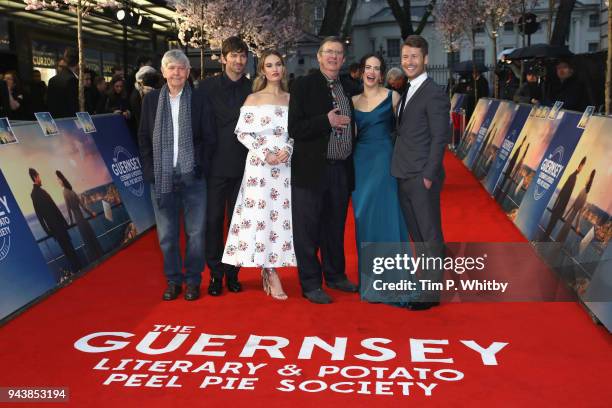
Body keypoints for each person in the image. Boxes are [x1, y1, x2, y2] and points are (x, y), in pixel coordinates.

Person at [138, 49, 216, 301]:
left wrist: (198, 166)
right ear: (163, 72)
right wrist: (150, 170)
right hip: (161, 178)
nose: (176, 72)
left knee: (195, 234)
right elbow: (143, 139)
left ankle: (193, 280)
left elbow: (209, 137)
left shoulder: (199, 99)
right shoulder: (150, 102)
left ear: (188, 72)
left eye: (181, 68)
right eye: (171, 67)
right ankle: (173, 280)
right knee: (167, 236)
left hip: (192, 177)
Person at [288, 36, 359, 304]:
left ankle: (335, 275)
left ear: (343, 59)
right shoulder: (303, 86)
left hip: (341, 170)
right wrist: (325, 121)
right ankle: (310, 283)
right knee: (307, 231)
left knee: (334, 227)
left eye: (338, 53)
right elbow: (295, 128)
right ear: (319, 57)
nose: (333, 57)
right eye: (328, 52)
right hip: (310, 171)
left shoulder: (349, 87)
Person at [222, 50, 296, 300]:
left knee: (279, 218)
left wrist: (287, 149)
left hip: (284, 166)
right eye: (269, 65)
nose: (275, 69)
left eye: (278, 64)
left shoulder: (290, 99)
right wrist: (266, 153)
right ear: (262, 70)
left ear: (283, 68)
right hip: (260, 167)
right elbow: (242, 133)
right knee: (261, 215)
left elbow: (296, 131)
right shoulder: (253, 99)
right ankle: (270, 270)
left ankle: (272, 265)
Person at [391, 35, 450, 311]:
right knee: (418, 234)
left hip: (421, 176)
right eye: (405, 57)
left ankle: (431, 293)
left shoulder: (434, 92)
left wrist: (428, 174)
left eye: (414, 56)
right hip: (404, 172)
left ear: (425, 59)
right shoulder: (409, 89)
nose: (409, 61)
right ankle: (425, 280)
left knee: (429, 234)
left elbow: (440, 138)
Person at [352, 54, 413, 305]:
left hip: (385, 162)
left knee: (386, 218)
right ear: (361, 71)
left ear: (382, 74)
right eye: (368, 67)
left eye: (377, 69)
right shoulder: (352, 100)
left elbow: (407, 132)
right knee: (363, 217)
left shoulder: (393, 97)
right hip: (360, 163)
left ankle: (394, 281)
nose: (372, 72)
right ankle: (371, 279)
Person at [201, 37, 252, 297]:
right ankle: (215, 274)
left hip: (245, 167)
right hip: (213, 167)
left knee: (238, 224)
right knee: (212, 221)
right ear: (223, 58)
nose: (239, 60)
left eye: (243, 55)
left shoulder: (254, 88)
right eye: (233, 55)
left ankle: (233, 273)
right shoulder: (206, 88)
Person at [29, 168, 81, 274]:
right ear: (35, 177)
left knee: (68, 250)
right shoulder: (35, 194)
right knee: (69, 250)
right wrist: (48, 231)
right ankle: (79, 270)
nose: (40, 178)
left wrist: (49, 231)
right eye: (39, 176)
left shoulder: (38, 192)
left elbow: (50, 211)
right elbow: (40, 215)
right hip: (57, 229)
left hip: (57, 229)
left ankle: (78, 270)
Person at [56, 170, 103, 262]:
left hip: (78, 221)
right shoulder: (72, 191)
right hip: (83, 219)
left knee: (87, 240)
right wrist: (91, 213)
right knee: (91, 237)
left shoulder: (64, 192)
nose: (58, 182)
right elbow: (83, 206)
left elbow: (69, 210)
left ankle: (95, 259)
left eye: (58, 179)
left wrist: (70, 222)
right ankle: (100, 255)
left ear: (62, 180)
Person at [541, 157, 586, 241]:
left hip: (558, 207)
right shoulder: (573, 177)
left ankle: (542, 241)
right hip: (559, 208)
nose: (582, 169)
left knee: (549, 228)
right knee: (550, 228)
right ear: (579, 166)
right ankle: (541, 242)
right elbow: (564, 194)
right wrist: (560, 209)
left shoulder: (573, 176)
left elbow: (563, 194)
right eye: (582, 166)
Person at [556, 169, 596, 243]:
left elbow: (573, 206)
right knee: (562, 238)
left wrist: (565, 215)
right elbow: (579, 212)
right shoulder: (585, 194)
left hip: (569, 219)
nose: (586, 178)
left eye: (588, 178)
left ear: (588, 181)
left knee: (560, 236)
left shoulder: (582, 191)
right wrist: (577, 226)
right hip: (571, 219)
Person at [47, 48, 79, 118]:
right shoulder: (72, 80)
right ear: (78, 62)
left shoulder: (52, 80)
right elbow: (73, 106)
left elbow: (49, 104)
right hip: (69, 122)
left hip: (55, 121)